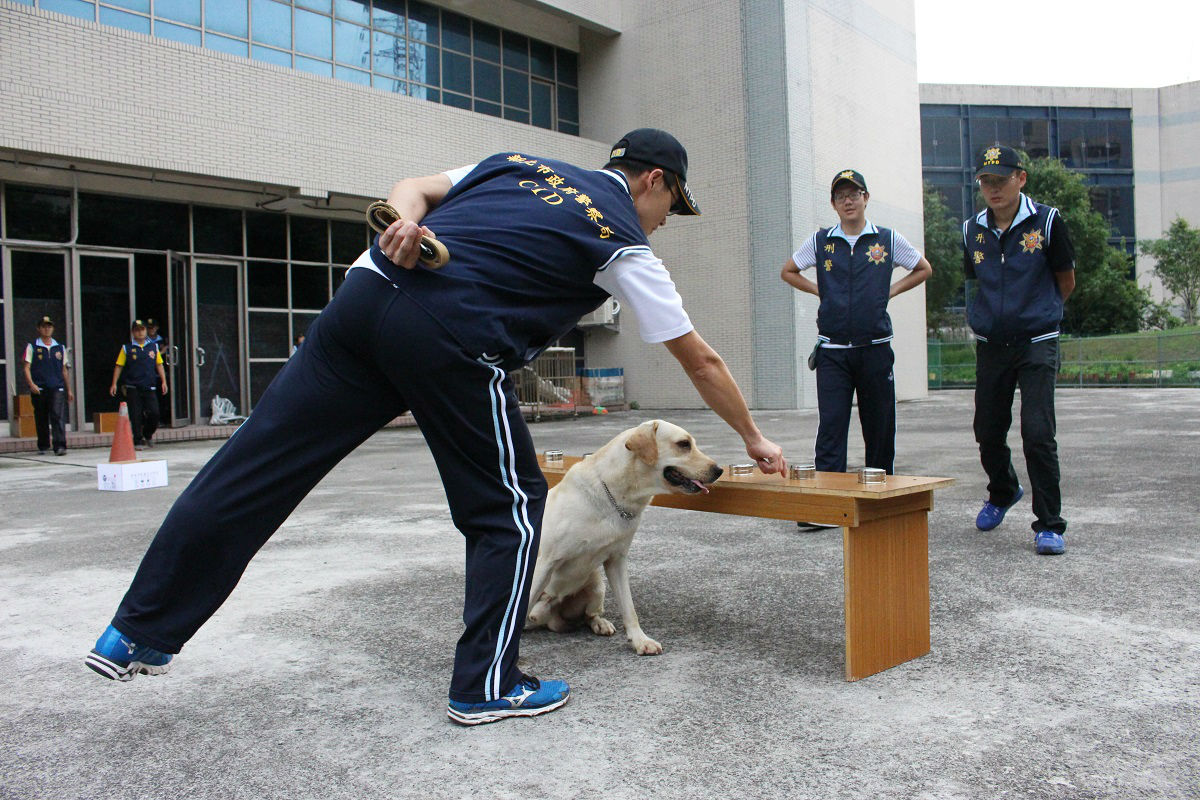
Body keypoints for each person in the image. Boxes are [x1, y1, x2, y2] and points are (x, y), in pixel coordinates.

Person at [84, 129, 787, 726]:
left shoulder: (517, 164)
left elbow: (414, 190)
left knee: (253, 469)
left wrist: (400, 221)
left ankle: (135, 632)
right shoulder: (622, 238)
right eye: (670, 207)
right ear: (654, 181)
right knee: (510, 509)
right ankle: (486, 684)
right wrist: (754, 438)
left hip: (364, 299)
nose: (663, 222)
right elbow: (700, 359)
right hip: (452, 335)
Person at [781, 169, 931, 528]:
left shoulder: (887, 239)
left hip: (875, 348)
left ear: (866, 198)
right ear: (833, 204)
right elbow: (789, 270)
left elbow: (922, 268)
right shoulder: (821, 241)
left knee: (879, 427)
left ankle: (880, 504)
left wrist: (889, 292)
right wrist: (820, 291)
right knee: (831, 427)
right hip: (833, 351)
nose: (848, 201)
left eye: (854, 194)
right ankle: (827, 507)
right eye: (840, 196)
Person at [962, 145, 1075, 555]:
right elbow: (976, 281)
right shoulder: (971, 230)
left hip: (1037, 342)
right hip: (993, 344)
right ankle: (1004, 490)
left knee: (1038, 433)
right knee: (987, 429)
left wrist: (1040, 314)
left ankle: (1049, 524)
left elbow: (1065, 280)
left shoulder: (1047, 221)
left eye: (1001, 179)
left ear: (1021, 179)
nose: (993, 188)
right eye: (986, 181)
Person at [109, 319, 169, 450]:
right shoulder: (127, 348)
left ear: (146, 331)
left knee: (154, 413)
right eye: (137, 330)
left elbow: (159, 364)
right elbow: (119, 366)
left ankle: (147, 433)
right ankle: (137, 440)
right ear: (133, 332)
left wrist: (164, 381)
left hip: (149, 386)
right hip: (133, 386)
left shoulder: (153, 347)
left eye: (142, 330)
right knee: (135, 414)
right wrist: (114, 383)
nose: (140, 332)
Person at [22, 315, 73, 456]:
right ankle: (43, 445)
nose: (47, 329)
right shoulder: (32, 346)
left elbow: (64, 370)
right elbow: (26, 367)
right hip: (39, 388)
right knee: (41, 417)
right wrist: (31, 384)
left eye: (49, 326)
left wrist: (69, 389)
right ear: (39, 329)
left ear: (53, 329)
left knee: (57, 416)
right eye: (44, 327)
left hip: (57, 387)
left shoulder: (60, 347)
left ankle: (60, 446)